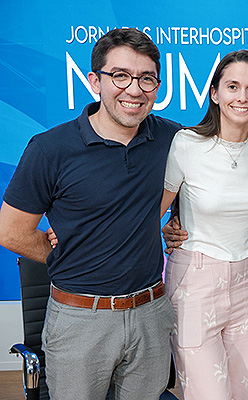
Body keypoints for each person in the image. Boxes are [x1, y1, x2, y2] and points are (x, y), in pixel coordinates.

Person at [0, 28, 180, 400]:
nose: (134, 89)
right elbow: (10, 230)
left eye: (147, 79)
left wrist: (177, 223)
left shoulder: (171, 138)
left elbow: (202, 180)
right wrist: (72, 252)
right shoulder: (50, 149)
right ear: (95, 81)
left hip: (150, 313)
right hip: (81, 320)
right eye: (121, 76)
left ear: (157, 87)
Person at [159, 50, 248, 400]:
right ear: (214, 93)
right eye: (233, 86)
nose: (242, 97)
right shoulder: (187, 144)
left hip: (246, 279)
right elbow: (151, 212)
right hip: (195, 281)